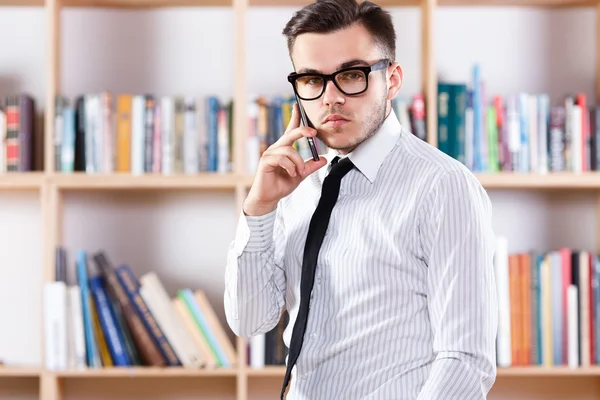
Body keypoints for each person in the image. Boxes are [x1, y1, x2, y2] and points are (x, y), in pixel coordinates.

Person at [224, 0, 498, 398]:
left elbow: (465, 359)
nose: (330, 98)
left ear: (393, 79)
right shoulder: (293, 184)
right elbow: (250, 320)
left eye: (351, 75)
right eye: (312, 80)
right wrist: (259, 210)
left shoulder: (442, 186)